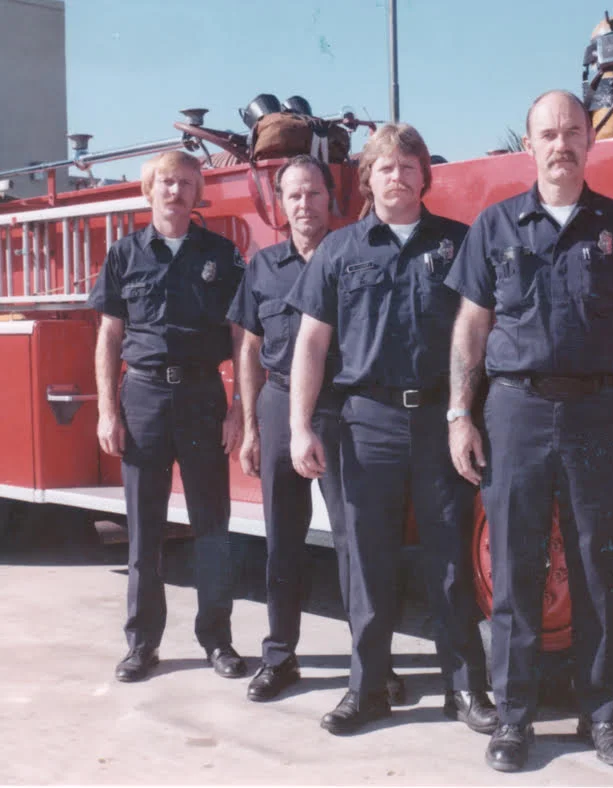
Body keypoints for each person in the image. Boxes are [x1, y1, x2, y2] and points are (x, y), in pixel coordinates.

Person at [445, 90, 613, 772]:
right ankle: (514, 723)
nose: (561, 143)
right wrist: (461, 413)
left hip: (598, 411)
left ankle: (601, 718)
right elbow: (470, 328)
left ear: (590, 140)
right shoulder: (494, 227)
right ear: (529, 142)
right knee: (514, 570)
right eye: (548, 132)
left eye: (573, 130)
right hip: (513, 410)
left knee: (597, 568)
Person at [286, 124, 495, 736]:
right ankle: (367, 690)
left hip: (441, 421)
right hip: (365, 424)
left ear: (424, 177)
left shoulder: (461, 244)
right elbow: (311, 345)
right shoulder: (339, 251)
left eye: (408, 167)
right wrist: (301, 426)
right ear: (367, 179)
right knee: (367, 561)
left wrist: (470, 415)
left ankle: (467, 689)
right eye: (385, 168)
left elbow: (483, 334)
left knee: (450, 561)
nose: (397, 177)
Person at [227, 154, 404, 706]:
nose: (305, 205)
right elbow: (249, 349)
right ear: (282, 205)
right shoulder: (262, 267)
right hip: (281, 404)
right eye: (294, 196)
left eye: (314, 194)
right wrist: (252, 424)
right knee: (282, 538)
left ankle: (371, 666)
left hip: (347, 409)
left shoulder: (356, 253)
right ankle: (279, 657)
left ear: (333, 198)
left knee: (359, 543)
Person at [88, 150, 247, 683]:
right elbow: (110, 336)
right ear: (148, 191)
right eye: (165, 183)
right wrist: (108, 411)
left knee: (212, 527)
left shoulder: (222, 255)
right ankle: (141, 644)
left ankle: (217, 640)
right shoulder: (124, 254)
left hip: (203, 399)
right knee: (145, 530)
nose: (175, 191)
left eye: (185, 183)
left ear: (198, 192)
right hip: (145, 399)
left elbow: (242, 337)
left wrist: (241, 408)